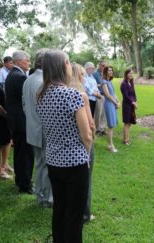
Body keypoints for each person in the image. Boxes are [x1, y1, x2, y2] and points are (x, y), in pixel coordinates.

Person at [37, 50, 92, 243]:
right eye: (68, 62)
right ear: (63, 66)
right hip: (75, 162)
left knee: (60, 209)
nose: (70, 66)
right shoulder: (73, 95)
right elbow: (86, 134)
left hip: (53, 160)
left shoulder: (41, 95)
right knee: (74, 214)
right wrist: (86, 155)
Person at [22, 49, 53, 207]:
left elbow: (25, 106)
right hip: (43, 130)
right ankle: (47, 198)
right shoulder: (44, 81)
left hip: (32, 128)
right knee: (46, 165)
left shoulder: (28, 79)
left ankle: (40, 195)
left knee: (40, 164)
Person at [5, 50, 34, 194]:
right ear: (20, 61)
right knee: (25, 154)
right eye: (28, 60)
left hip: (16, 121)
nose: (29, 63)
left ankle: (20, 180)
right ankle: (25, 184)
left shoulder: (13, 75)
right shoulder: (19, 77)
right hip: (21, 122)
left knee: (20, 153)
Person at [71, 63, 96, 223]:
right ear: (77, 75)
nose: (85, 76)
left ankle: (73, 211)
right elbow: (90, 125)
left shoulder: (59, 92)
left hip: (66, 147)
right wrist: (90, 145)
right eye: (83, 74)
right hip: (82, 144)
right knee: (86, 179)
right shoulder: (81, 94)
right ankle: (85, 213)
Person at [101, 66, 120, 153]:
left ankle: (111, 144)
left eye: (112, 70)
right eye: (109, 70)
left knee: (112, 126)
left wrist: (118, 101)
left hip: (113, 103)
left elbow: (114, 93)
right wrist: (115, 103)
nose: (111, 72)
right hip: (109, 104)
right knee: (110, 126)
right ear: (105, 72)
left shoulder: (109, 81)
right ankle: (110, 145)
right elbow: (108, 95)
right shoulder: (104, 82)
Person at [120, 69, 137, 145]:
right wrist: (132, 102)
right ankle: (125, 140)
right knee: (126, 123)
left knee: (130, 122)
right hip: (127, 105)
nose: (131, 75)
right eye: (129, 73)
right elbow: (126, 96)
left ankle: (127, 138)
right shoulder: (124, 84)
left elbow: (133, 93)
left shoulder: (131, 82)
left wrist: (135, 101)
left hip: (132, 105)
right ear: (126, 74)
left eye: (132, 73)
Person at [93, 60, 107, 135]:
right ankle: (97, 129)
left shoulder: (104, 74)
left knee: (104, 113)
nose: (104, 67)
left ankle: (102, 128)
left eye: (105, 66)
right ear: (99, 65)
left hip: (105, 95)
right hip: (98, 95)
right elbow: (94, 85)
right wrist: (101, 84)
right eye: (103, 65)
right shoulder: (95, 74)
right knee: (98, 113)